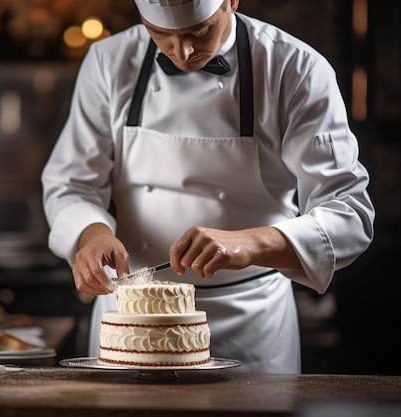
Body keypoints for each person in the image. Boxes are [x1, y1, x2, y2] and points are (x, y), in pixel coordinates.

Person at [41, 0, 374, 373]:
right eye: (161, 34)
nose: (181, 52)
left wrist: (249, 243)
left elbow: (349, 215)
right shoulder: (108, 60)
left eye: (197, 32)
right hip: (129, 320)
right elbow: (71, 183)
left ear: (231, 2)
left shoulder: (295, 68)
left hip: (251, 320)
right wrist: (91, 235)